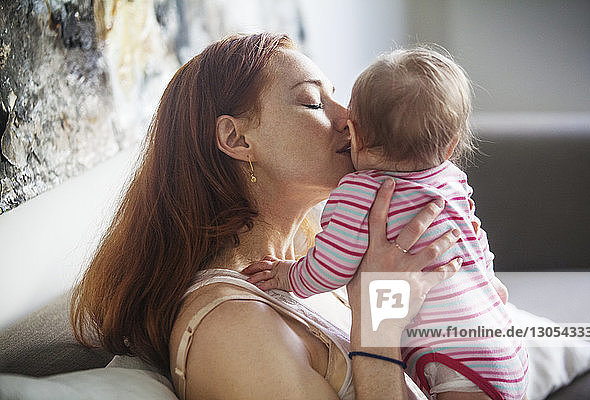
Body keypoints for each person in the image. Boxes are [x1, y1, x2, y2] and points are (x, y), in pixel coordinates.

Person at [70, 33, 464, 400]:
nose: (349, 118)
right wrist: (380, 319)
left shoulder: (313, 271)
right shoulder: (230, 331)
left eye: (338, 98)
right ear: (237, 140)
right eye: (313, 102)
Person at [244, 48, 528, 399]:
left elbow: (330, 267)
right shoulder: (450, 179)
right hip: (501, 340)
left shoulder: (360, 192)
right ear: (451, 145)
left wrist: (288, 275)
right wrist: (489, 282)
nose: (341, 115)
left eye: (343, 104)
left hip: (452, 360)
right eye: (314, 102)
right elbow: (474, 239)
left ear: (357, 135)